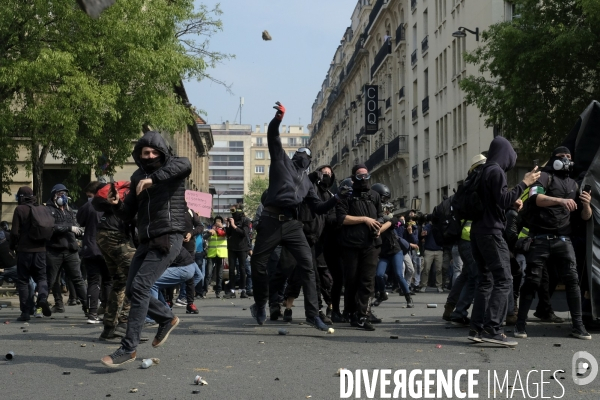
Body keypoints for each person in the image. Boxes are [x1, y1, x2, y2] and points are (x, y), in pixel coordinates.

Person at [249, 102, 343, 331]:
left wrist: (337, 198)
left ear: (310, 162)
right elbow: (273, 137)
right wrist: (278, 119)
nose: (304, 155)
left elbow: (318, 208)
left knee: (307, 267)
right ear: (295, 155)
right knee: (258, 265)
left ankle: (313, 315)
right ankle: (260, 303)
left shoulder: (309, 183)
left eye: (308, 154)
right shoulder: (281, 161)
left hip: (292, 224)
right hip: (270, 220)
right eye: (302, 152)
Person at [101, 130, 192, 367]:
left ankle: (128, 348)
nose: (150, 156)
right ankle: (167, 318)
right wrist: (116, 204)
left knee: (141, 286)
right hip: (146, 239)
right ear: (139, 155)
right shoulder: (136, 177)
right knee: (132, 290)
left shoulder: (174, 167)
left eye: (154, 152)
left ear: (162, 152)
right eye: (145, 152)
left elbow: (185, 164)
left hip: (169, 236)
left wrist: (154, 179)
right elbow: (127, 213)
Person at [469, 136, 539, 346]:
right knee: (504, 279)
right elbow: (504, 199)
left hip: (477, 232)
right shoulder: (496, 171)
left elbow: (495, 202)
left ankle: (476, 328)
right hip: (491, 233)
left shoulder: (482, 171)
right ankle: (493, 328)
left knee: (486, 280)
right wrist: (524, 183)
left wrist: (509, 204)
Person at [515, 147, 591, 340]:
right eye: (561, 157)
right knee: (532, 280)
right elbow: (536, 199)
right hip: (540, 239)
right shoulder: (544, 177)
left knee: (573, 281)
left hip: (564, 240)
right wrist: (561, 200)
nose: (566, 160)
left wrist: (587, 204)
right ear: (554, 159)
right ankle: (520, 325)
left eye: (568, 157)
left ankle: (578, 326)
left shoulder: (574, 184)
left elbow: (584, 217)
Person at [336, 164, 384, 330]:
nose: (363, 179)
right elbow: (341, 218)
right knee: (352, 280)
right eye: (359, 176)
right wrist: (364, 219)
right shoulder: (347, 195)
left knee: (367, 281)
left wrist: (379, 228)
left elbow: (381, 216)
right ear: (353, 177)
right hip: (351, 244)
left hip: (371, 244)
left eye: (366, 176)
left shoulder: (375, 195)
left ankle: (363, 315)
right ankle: (350, 312)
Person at [9, 186, 52, 321]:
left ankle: (26, 312)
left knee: (23, 281)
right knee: (41, 277)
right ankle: (43, 297)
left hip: (24, 251)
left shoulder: (19, 209)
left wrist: (12, 247)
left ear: (21, 197)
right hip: (41, 250)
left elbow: (15, 232)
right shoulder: (42, 208)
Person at [45, 184, 88, 316]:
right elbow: (51, 227)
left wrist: (80, 232)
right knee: (52, 280)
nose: (63, 196)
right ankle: (54, 305)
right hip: (54, 250)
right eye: (60, 193)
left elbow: (76, 226)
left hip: (71, 250)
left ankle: (88, 307)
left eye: (64, 193)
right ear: (53, 196)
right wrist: (69, 228)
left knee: (78, 279)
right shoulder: (48, 210)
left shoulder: (69, 211)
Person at [372, 183, 414, 309]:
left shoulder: (393, 219)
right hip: (383, 253)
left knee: (398, 274)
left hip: (395, 250)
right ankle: (381, 295)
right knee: (379, 275)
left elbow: (394, 222)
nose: (387, 210)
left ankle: (408, 297)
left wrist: (381, 225)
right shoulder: (373, 217)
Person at [77, 181, 112, 324]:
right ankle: (109, 311)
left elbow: (80, 221)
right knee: (109, 281)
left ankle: (92, 313)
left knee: (93, 280)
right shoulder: (111, 204)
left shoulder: (87, 206)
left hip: (91, 248)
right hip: (108, 248)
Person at [224, 203, 251, 299]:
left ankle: (243, 290)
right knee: (231, 269)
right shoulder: (232, 220)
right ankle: (232, 291)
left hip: (242, 248)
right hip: (232, 247)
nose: (232, 213)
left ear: (239, 211)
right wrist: (227, 225)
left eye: (233, 210)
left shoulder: (246, 220)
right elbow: (228, 234)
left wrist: (234, 225)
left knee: (242, 269)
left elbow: (244, 233)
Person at [418, 218, 444, 293]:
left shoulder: (440, 226)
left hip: (439, 250)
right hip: (428, 250)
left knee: (439, 269)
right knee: (426, 269)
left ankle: (439, 285)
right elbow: (425, 231)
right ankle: (423, 285)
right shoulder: (428, 226)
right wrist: (425, 232)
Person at [203, 216, 227, 298]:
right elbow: (204, 237)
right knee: (208, 273)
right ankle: (205, 291)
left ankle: (218, 292)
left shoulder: (224, 229)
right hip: (211, 254)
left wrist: (221, 227)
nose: (217, 222)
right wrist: (210, 232)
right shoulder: (210, 229)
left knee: (219, 274)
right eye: (216, 221)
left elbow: (228, 234)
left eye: (219, 221)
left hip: (220, 254)